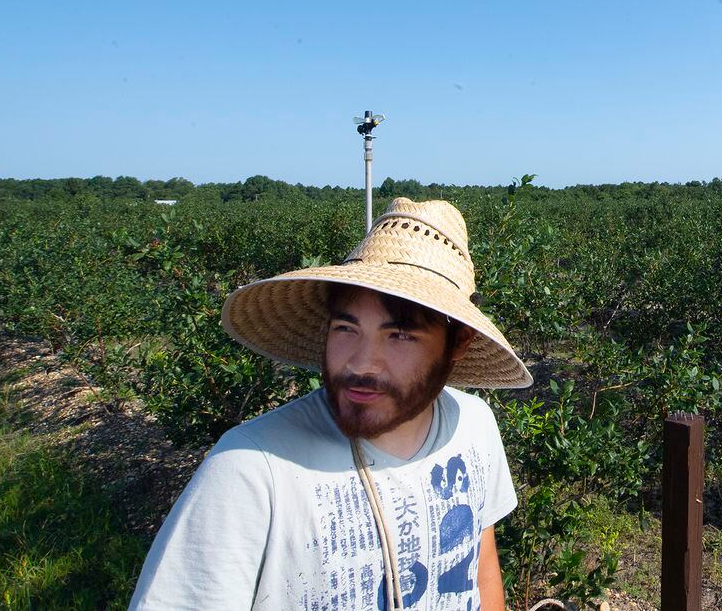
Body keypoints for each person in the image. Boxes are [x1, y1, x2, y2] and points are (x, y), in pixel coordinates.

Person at [129, 198, 533, 610]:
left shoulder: (474, 426)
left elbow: (480, 564)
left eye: (399, 335)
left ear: (458, 343)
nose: (360, 363)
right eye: (346, 327)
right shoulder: (252, 470)